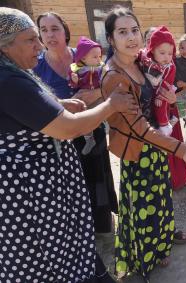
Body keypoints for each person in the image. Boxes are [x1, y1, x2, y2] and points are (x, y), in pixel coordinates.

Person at [0, 7, 138, 282]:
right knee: (47, 255)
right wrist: (111, 105)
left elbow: (22, 111)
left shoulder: (13, 72)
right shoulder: (7, 80)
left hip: (42, 189)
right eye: (31, 39)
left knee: (65, 246)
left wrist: (56, 104)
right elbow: (68, 128)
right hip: (32, 195)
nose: (39, 44)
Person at [100, 7, 186, 281]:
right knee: (143, 209)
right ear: (111, 39)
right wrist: (181, 149)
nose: (131, 37)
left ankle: (161, 244)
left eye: (134, 30)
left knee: (161, 199)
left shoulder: (140, 62)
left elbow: (164, 91)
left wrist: (172, 99)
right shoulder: (114, 75)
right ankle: (145, 258)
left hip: (157, 146)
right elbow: (139, 128)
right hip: (138, 152)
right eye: (122, 32)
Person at [34, 11, 118, 233]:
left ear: (65, 31)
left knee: (97, 175)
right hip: (61, 135)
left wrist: (96, 93)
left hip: (92, 127)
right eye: (44, 30)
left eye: (55, 29)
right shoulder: (36, 65)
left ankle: (101, 223)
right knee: (71, 183)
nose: (50, 35)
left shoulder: (83, 55)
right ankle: (80, 227)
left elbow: (109, 84)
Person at [138, 26, 177, 136]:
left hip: (161, 92)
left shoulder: (170, 66)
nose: (166, 57)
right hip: (142, 112)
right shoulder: (142, 58)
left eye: (170, 53)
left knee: (161, 104)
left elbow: (167, 83)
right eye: (148, 40)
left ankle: (164, 124)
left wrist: (162, 96)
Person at [69, 36, 104, 155]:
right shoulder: (78, 68)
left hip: (98, 97)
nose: (98, 59)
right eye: (95, 57)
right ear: (83, 57)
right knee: (82, 116)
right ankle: (89, 139)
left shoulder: (101, 67)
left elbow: (108, 80)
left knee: (105, 110)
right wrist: (74, 80)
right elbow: (74, 85)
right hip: (85, 98)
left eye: (100, 56)